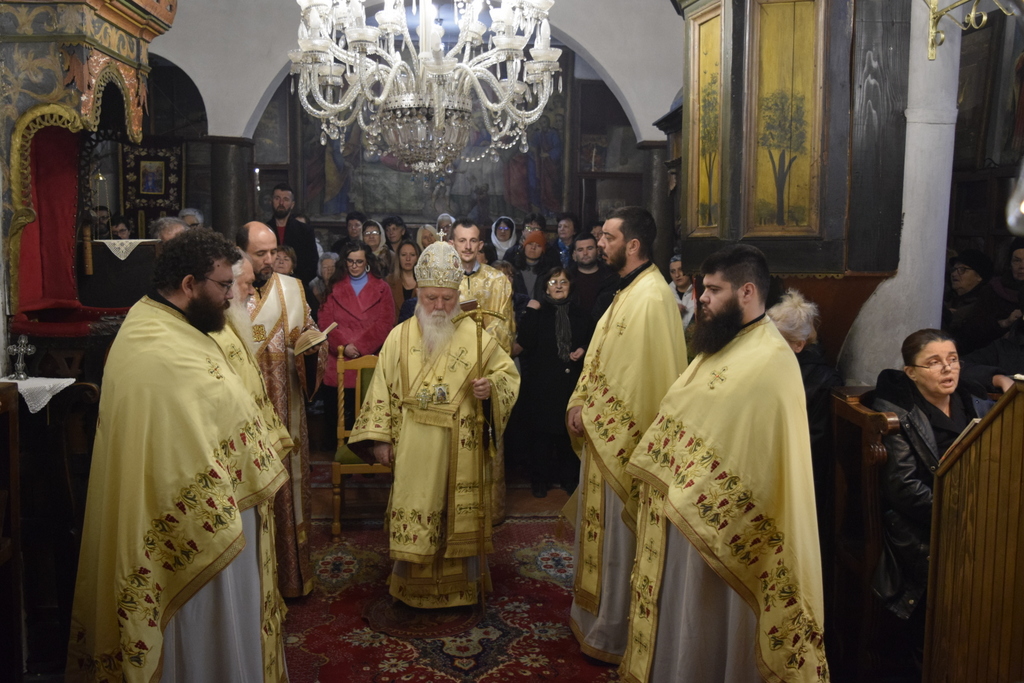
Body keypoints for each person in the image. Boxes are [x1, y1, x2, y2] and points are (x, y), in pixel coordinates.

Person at [67, 230, 289, 683]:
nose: (230, 296)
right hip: (189, 529)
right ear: (189, 284)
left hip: (223, 505)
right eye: (223, 285)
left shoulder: (175, 322)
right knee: (201, 641)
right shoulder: (152, 343)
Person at [618, 244, 828, 683]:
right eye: (703, 289)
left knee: (710, 627)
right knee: (685, 621)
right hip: (684, 514)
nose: (703, 299)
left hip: (725, 531)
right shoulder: (723, 343)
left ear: (747, 291)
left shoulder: (771, 361)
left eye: (714, 290)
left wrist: (694, 491)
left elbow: (762, 461)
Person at [348, 242, 520, 608]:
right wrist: (381, 440)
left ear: (457, 296)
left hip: (461, 447)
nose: (439, 306)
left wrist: (490, 388)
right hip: (414, 447)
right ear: (418, 294)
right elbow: (380, 390)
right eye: (431, 298)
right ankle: (411, 591)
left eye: (447, 298)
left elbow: (508, 376)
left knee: (456, 518)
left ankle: (463, 590)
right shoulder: (398, 336)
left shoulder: (476, 336)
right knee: (418, 514)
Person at [565, 206, 688, 664]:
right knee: (600, 536)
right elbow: (600, 360)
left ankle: (614, 628)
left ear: (632, 245)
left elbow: (644, 382)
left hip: (623, 444)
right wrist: (579, 402)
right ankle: (593, 618)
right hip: (601, 434)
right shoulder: (628, 290)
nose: (600, 244)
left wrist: (595, 416)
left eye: (609, 238)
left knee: (618, 542)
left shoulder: (651, 297)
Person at [869, 330, 990, 659]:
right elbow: (904, 488)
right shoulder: (898, 413)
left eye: (953, 360)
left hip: (979, 511)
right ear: (911, 372)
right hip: (925, 523)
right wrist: (963, 516)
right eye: (934, 362)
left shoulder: (973, 401)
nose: (948, 368)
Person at [237, 220, 328, 598]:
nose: (270, 259)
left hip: (287, 410)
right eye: (260, 253)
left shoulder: (292, 290)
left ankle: (291, 579)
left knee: (288, 490)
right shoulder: (228, 293)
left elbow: (309, 332)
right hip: (244, 417)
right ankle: (252, 589)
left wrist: (313, 345)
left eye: (273, 251)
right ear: (241, 253)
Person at [451, 218, 517, 524]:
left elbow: (504, 328)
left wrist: (476, 355)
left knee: (485, 438)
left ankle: (489, 511)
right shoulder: (443, 279)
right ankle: (454, 511)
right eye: (461, 240)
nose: (467, 246)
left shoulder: (497, 280)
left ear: (480, 244)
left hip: (485, 373)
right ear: (452, 243)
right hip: (450, 373)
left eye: (472, 240)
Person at [517, 267, 593, 497]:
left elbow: (592, 341)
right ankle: (540, 481)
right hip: (542, 384)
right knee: (541, 436)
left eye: (563, 282)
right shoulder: (538, 312)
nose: (558, 286)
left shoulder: (581, 314)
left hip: (570, 383)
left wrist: (583, 349)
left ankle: (569, 479)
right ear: (546, 288)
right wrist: (531, 310)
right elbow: (525, 341)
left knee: (567, 433)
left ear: (570, 286)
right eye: (553, 282)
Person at [318, 240, 396, 434]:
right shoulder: (333, 287)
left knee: (367, 422)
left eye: (359, 262)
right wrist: (344, 346)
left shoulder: (382, 288)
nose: (354, 266)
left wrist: (361, 346)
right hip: (338, 360)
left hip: (369, 359)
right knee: (336, 424)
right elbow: (325, 322)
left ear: (367, 262)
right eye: (350, 261)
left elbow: (386, 323)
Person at [267, 183, 319, 284]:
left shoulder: (305, 231)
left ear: (292, 204)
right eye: (277, 198)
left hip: (297, 284)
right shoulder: (264, 230)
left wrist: (294, 282)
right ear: (271, 201)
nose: (281, 203)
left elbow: (312, 263)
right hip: (267, 284)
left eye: (286, 199)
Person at [568, 233, 618, 320]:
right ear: (574, 254)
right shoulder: (567, 278)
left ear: (598, 251)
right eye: (580, 250)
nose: (585, 253)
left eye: (590, 248)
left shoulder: (611, 276)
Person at [513, 230, 559, 300]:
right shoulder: (513, 268)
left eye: (538, 245)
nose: (533, 248)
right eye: (530, 244)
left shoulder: (548, 271)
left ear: (543, 251)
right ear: (524, 246)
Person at [387, 239, 421, 317]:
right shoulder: (389, 282)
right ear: (398, 258)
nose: (408, 259)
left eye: (412, 255)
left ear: (418, 257)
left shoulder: (425, 283)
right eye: (403, 255)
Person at [668, 254, 695, 327]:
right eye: (673, 271)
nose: (677, 275)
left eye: (681, 269)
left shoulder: (700, 293)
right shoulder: (665, 294)